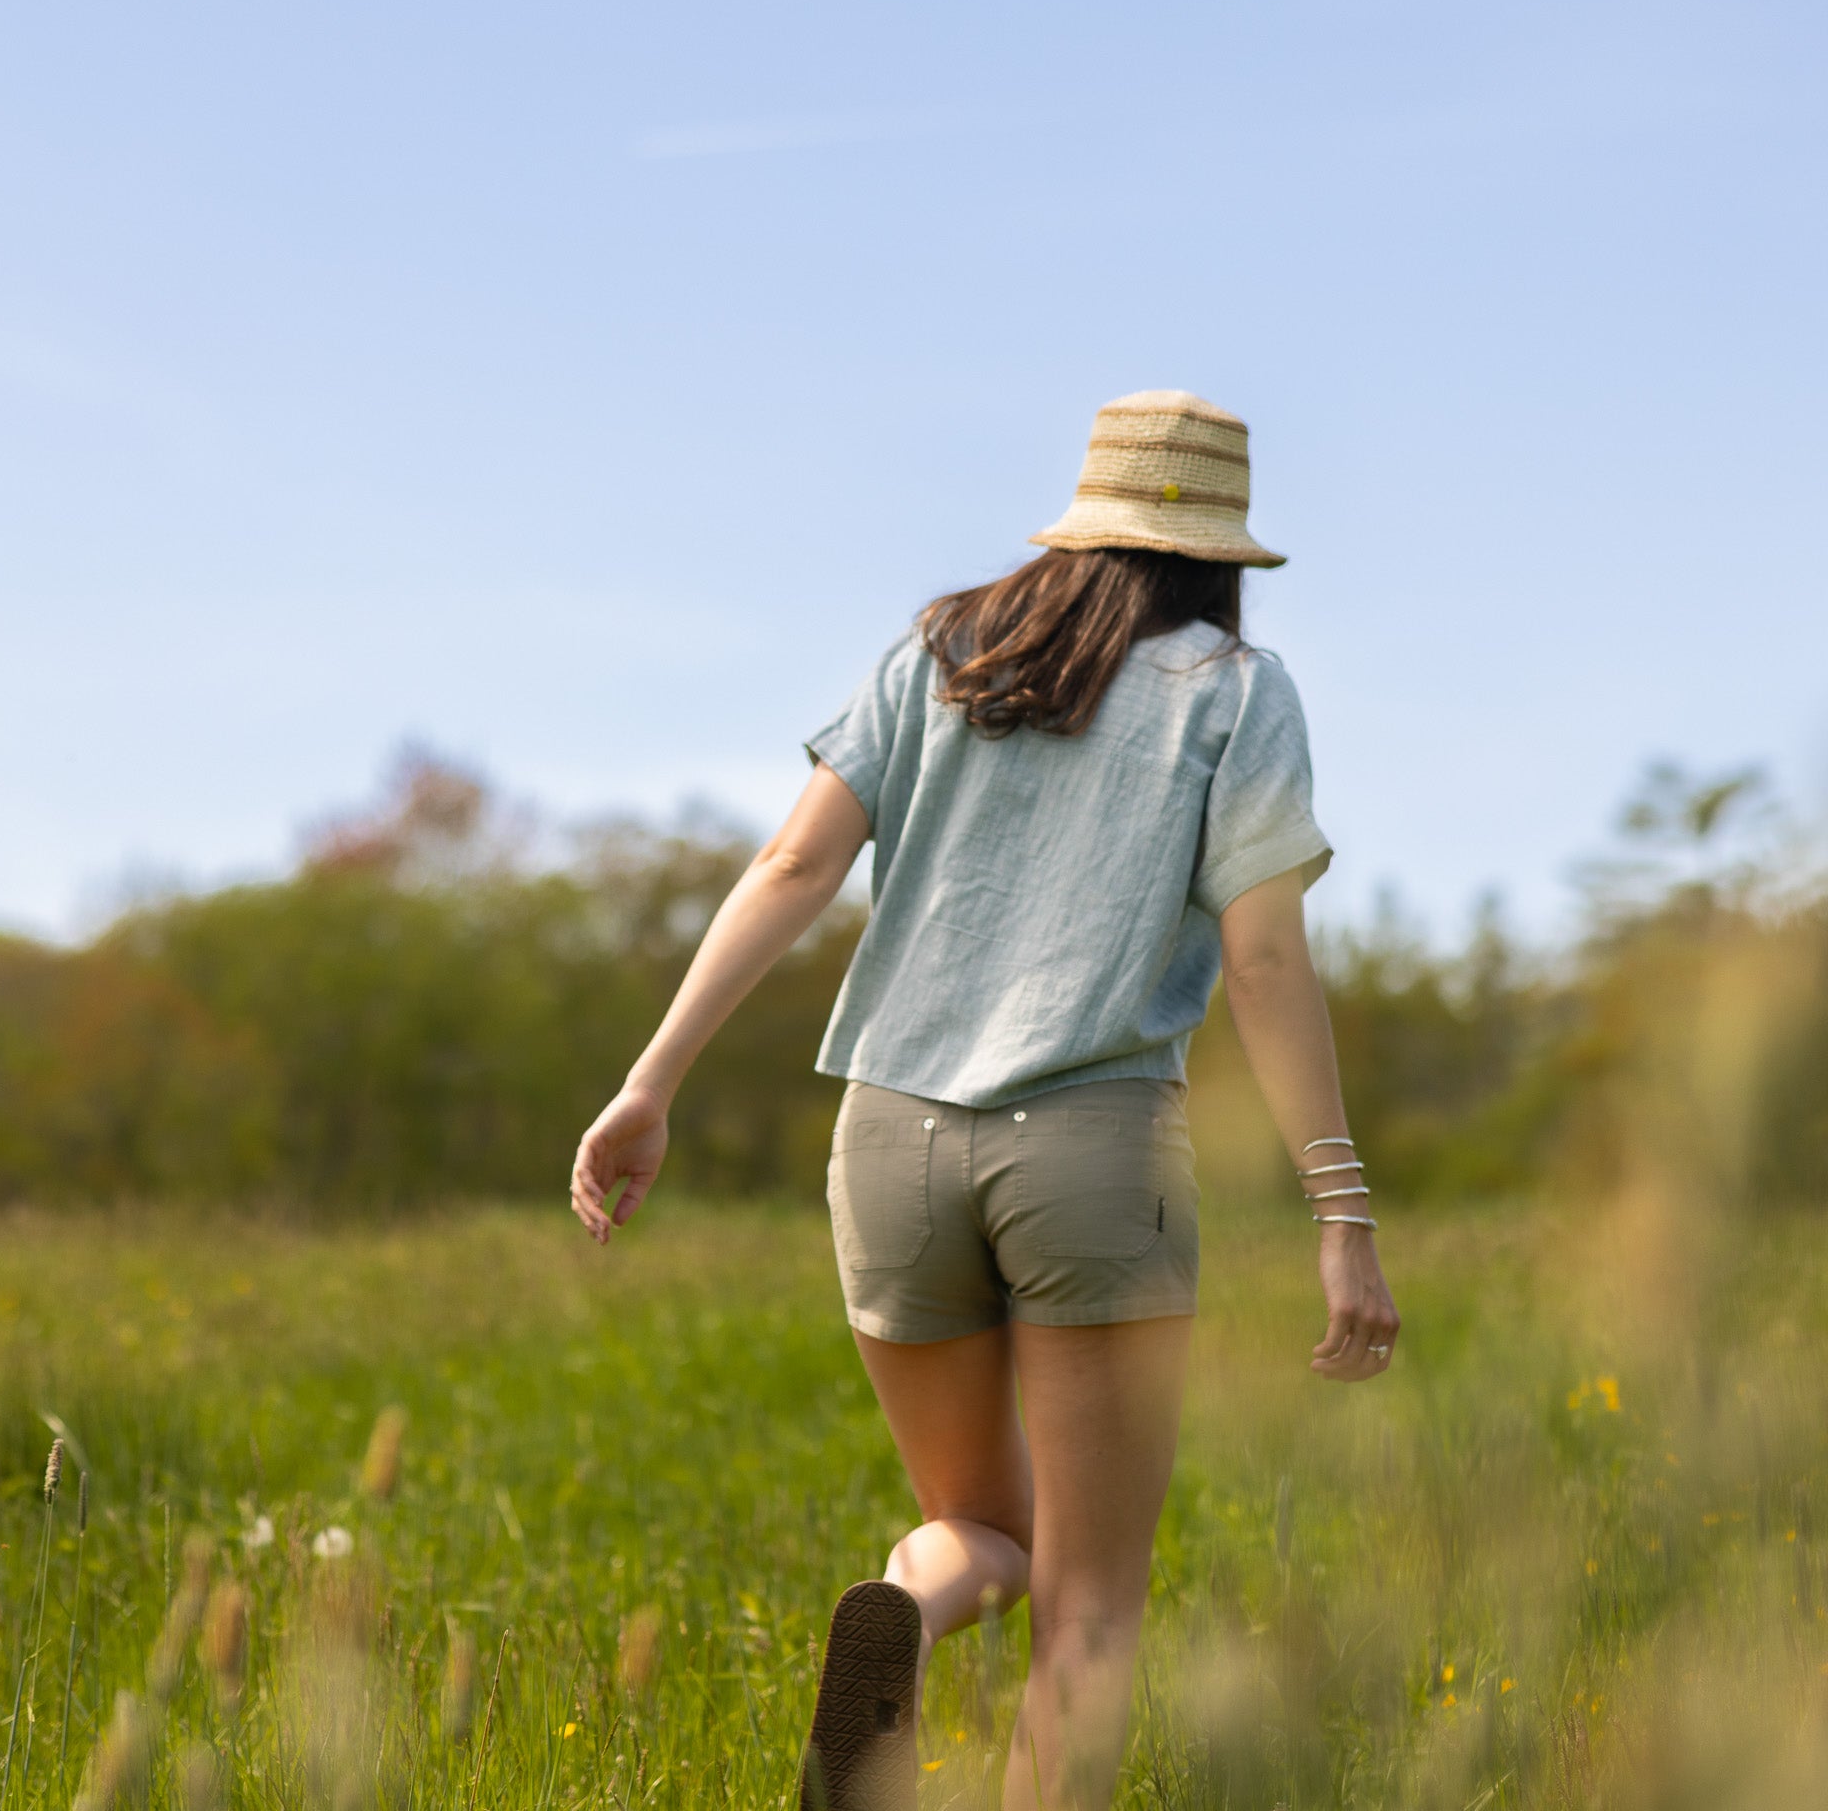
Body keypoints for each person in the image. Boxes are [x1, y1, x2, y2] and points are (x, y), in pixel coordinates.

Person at [570, 391, 1400, 1811]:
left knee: (976, 1528)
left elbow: (789, 869)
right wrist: (1341, 1207)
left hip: (886, 1141)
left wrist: (650, 1084)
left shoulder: (945, 649)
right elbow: (1262, 957)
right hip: (1089, 1150)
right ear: (1218, 554)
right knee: (1091, 1614)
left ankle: (906, 1599)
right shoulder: (1236, 693)